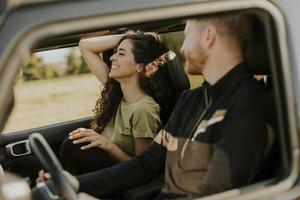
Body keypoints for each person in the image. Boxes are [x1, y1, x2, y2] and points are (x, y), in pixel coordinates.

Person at [38, 13, 276, 199]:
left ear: (208, 36)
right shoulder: (190, 101)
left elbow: (217, 193)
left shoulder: (252, 108)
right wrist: (76, 183)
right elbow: (145, 164)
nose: (180, 48)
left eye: (187, 29)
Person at [59, 31, 177, 175]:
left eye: (121, 53)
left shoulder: (143, 109)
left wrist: (107, 144)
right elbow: (84, 46)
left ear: (139, 66)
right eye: (115, 52)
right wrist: (129, 37)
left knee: (72, 147)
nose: (112, 58)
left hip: (117, 179)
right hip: (100, 171)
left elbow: (143, 168)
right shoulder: (116, 91)